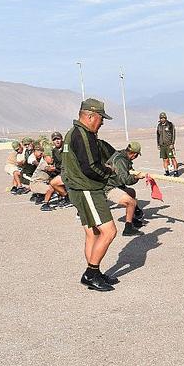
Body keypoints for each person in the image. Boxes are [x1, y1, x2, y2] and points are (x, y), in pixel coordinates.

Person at [62, 98, 118, 292]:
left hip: (78, 189)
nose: (102, 122)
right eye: (101, 118)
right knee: (109, 231)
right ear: (90, 116)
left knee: (92, 232)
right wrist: (110, 172)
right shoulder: (83, 135)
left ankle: (95, 270)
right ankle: (91, 274)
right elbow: (91, 167)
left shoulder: (73, 133)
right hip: (87, 189)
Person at [105, 141, 148, 236]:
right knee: (131, 202)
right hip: (108, 187)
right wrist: (136, 177)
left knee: (131, 192)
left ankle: (132, 217)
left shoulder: (123, 155)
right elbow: (125, 179)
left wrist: (134, 172)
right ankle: (128, 229)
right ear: (134, 154)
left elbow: (127, 170)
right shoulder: (121, 160)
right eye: (137, 156)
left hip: (115, 184)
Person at [156, 112, 179, 177]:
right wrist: (158, 144)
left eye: (163, 118)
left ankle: (176, 171)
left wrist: (172, 143)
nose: (162, 119)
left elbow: (173, 134)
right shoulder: (159, 126)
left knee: (172, 158)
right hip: (162, 145)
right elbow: (158, 135)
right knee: (164, 159)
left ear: (166, 118)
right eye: (161, 118)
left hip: (169, 145)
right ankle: (167, 171)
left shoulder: (170, 124)